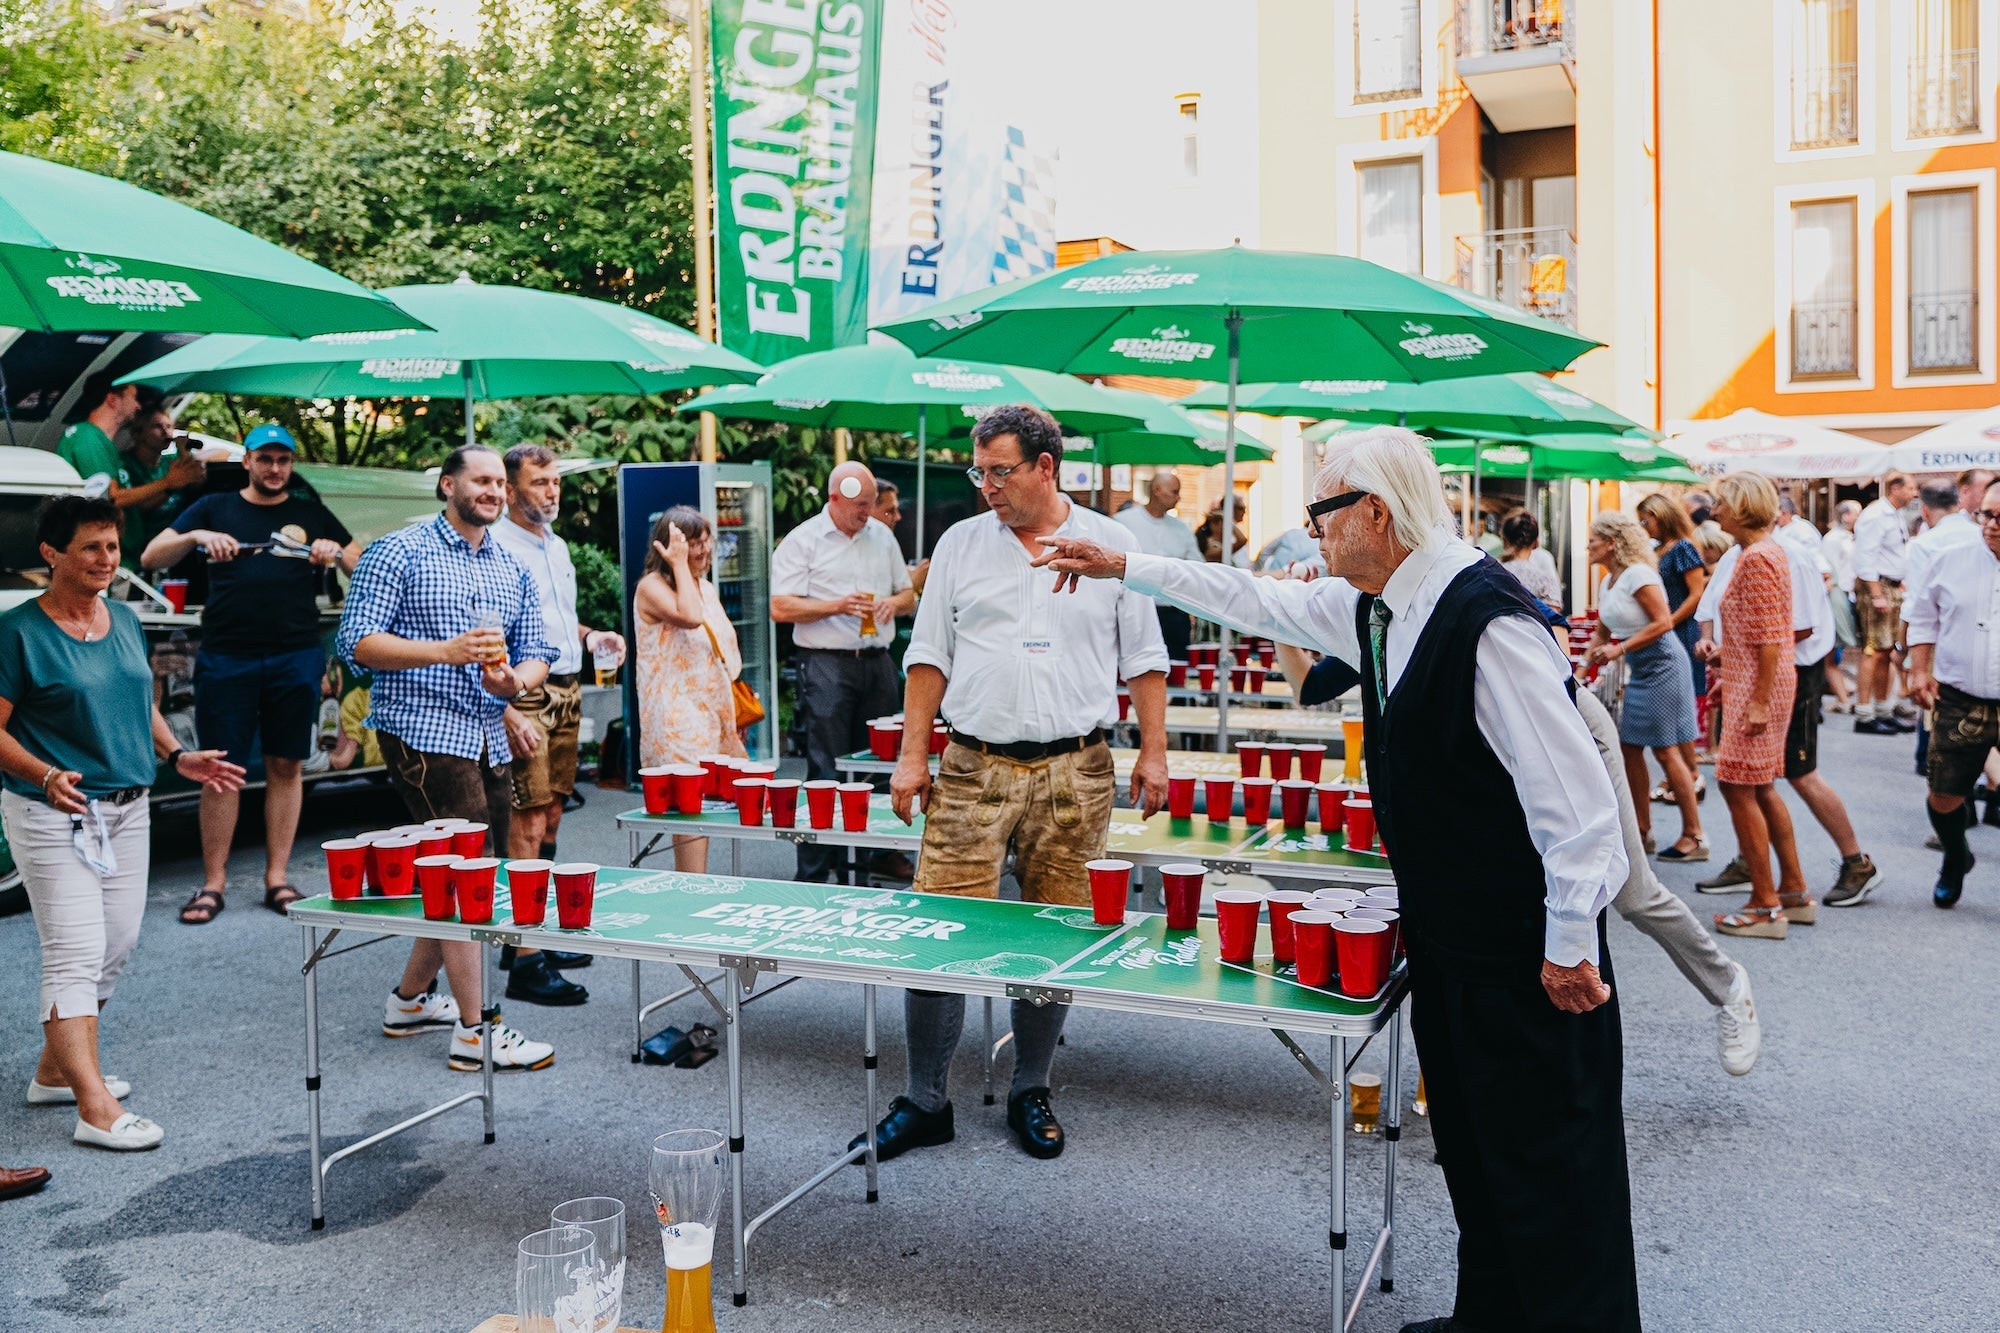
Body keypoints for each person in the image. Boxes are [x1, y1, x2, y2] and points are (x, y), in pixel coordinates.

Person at [1034, 426, 1640, 1332]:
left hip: (1523, 950)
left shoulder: (1487, 620)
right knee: (1478, 1155)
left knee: (1552, 1164)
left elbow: (1579, 807)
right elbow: (1251, 598)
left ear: (1375, 512)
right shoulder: (1382, 602)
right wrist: (1128, 565)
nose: (1312, 531)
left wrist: (1564, 944)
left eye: (1320, 512)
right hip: (1451, 934)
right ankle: (1493, 1316)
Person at [1272, 579, 1761, 1076]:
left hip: (1570, 733)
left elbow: (1552, 630)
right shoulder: (1376, 615)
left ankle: (1728, 987)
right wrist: (1282, 622)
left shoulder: (1457, 585)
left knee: (1631, 893)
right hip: (1485, 769)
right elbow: (1311, 688)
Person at [858, 404, 1170, 1164]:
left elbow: (1146, 657)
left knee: (1053, 936)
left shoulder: (1114, 543)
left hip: (1077, 767)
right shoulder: (961, 544)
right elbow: (927, 654)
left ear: (1045, 466)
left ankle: (1032, 1084)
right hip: (972, 765)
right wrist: (911, 754)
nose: (988, 485)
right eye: (980, 470)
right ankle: (925, 1097)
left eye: (1001, 470)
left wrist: (1155, 751)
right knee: (938, 931)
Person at [0, 495, 244, 1151]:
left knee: (118, 941)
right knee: (75, 950)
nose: (107, 559)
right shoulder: (18, 631)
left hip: (128, 806)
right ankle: (93, 1104)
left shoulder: (125, 618)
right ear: (51, 553)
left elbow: (140, 701)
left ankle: (55, 1069)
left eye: (112, 546)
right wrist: (44, 773)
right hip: (53, 809)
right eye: (91, 547)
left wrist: (177, 754)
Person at [336, 444, 560, 1073]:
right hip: (424, 734)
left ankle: (409, 1002)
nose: (492, 490)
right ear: (446, 486)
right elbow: (357, 644)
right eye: (479, 480)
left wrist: (513, 684)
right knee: (469, 878)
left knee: (457, 877)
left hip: (486, 734)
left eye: (498, 482)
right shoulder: (399, 551)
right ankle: (476, 1028)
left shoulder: (509, 566)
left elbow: (539, 648)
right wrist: (446, 651)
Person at [139, 424, 361, 924]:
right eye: (266, 459)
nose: (275, 469)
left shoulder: (307, 511)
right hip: (227, 654)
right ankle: (213, 883)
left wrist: (333, 553)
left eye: (283, 460)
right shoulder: (215, 507)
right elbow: (152, 555)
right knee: (221, 769)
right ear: (248, 462)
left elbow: (359, 564)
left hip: (295, 653)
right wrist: (196, 536)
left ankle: (276, 879)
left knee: (287, 765)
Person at [491, 444, 627, 1006]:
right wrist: (501, 708)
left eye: (556, 482)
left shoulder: (558, 544)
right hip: (525, 692)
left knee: (549, 816)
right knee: (523, 820)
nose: (552, 491)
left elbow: (557, 620)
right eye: (541, 482)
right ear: (511, 487)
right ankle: (525, 963)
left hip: (567, 687)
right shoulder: (496, 545)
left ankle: (528, 933)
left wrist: (592, 636)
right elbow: (488, 636)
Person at [770, 462, 916, 882]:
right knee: (826, 768)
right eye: (859, 506)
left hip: (877, 662)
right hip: (827, 663)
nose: (867, 513)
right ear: (834, 499)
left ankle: (873, 858)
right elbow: (781, 606)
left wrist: (895, 603)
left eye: (871, 505)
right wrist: (836, 605)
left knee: (878, 766)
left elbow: (908, 592)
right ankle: (816, 870)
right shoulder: (803, 541)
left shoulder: (881, 536)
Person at [1697, 472, 1804, 940]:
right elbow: (1766, 634)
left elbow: (1769, 640)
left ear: (1741, 507)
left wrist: (1755, 699)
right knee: (1760, 788)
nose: (1714, 511)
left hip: (1762, 686)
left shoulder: (1756, 557)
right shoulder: (1765, 552)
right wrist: (1732, 668)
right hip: (1757, 681)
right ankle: (1794, 892)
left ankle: (1765, 904)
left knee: (1738, 787)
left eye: (1721, 503)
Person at [1584, 512, 1706, 861]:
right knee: (1630, 748)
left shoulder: (1639, 574)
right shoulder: (1607, 582)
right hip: (1640, 667)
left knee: (1666, 750)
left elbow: (1664, 622)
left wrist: (1619, 649)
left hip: (1664, 663)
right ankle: (1641, 830)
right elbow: (1601, 633)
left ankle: (1695, 836)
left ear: (1612, 543)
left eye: (1594, 538)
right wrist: (1580, 665)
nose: (1588, 545)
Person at [635, 506, 746, 874]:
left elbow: (724, 648)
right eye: (693, 545)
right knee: (690, 806)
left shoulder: (705, 587)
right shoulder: (652, 587)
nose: (703, 552)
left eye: (705, 542)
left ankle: (698, 882)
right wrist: (679, 565)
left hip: (710, 711)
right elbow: (690, 617)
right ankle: (691, 887)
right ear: (668, 548)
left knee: (710, 806)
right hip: (676, 714)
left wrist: (732, 712)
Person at [1905, 476, 2000, 906]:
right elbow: (1923, 617)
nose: (1992, 525)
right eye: (1987, 515)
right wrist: (1919, 670)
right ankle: (1956, 855)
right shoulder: (1950, 556)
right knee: (1943, 794)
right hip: (1960, 694)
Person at [56, 374, 204, 567]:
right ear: (112, 399)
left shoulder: (102, 442)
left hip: (125, 555)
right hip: (107, 559)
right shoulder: (88, 439)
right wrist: (167, 482)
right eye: (132, 397)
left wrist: (169, 486)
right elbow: (113, 498)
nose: (138, 405)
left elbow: (132, 504)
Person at [1113, 468, 1204, 658]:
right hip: (1135, 609)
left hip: (1174, 612)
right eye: (1174, 491)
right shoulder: (1123, 523)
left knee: (1177, 665)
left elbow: (1197, 565)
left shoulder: (1181, 529)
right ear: (1156, 490)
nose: (1178, 497)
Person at [1852, 471, 1917, 733]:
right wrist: (1877, 593)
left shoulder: (1892, 514)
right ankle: (1864, 713)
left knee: (1886, 650)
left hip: (1889, 586)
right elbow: (1865, 557)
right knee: (1874, 650)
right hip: (1877, 588)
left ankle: (1881, 708)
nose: (1914, 493)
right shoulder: (1876, 515)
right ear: (1895, 489)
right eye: (1911, 488)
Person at [119, 401, 207, 563]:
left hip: (173, 544)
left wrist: (183, 451)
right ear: (137, 434)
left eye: (169, 426)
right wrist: (170, 486)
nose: (166, 432)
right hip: (139, 547)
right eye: (157, 427)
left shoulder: (171, 461)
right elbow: (137, 508)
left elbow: (197, 482)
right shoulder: (125, 463)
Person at [1822, 499, 1861, 713]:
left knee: (1838, 648)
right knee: (1833, 648)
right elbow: (1830, 571)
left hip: (1846, 594)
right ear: (1845, 516)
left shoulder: (1848, 537)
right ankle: (1843, 698)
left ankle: (1843, 696)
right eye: (1856, 513)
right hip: (1836, 594)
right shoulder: (1833, 539)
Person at [1498, 508, 1563, 610]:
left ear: (1504, 539)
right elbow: (1554, 619)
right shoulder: (1544, 580)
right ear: (1536, 543)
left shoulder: (1491, 574)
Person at [1194, 496, 1250, 567]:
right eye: (1223, 523)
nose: (1225, 526)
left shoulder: (1221, 544)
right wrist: (1227, 518)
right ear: (1213, 525)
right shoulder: (1212, 548)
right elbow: (1242, 540)